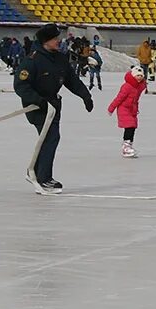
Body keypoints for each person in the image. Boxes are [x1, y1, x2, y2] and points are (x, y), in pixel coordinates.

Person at [13, 24, 94, 193]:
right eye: (55, 39)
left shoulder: (59, 58)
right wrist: (39, 101)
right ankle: (43, 178)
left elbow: (71, 80)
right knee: (51, 138)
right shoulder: (32, 60)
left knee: (48, 139)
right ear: (45, 41)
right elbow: (21, 85)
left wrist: (85, 96)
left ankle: (35, 171)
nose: (59, 41)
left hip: (54, 106)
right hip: (37, 106)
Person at [108, 64, 148, 158]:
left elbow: (141, 88)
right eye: (137, 76)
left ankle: (129, 145)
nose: (139, 78)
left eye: (141, 76)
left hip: (132, 109)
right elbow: (119, 98)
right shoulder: (127, 86)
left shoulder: (139, 86)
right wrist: (111, 108)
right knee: (129, 126)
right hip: (124, 109)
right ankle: (125, 146)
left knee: (133, 127)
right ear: (133, 76)